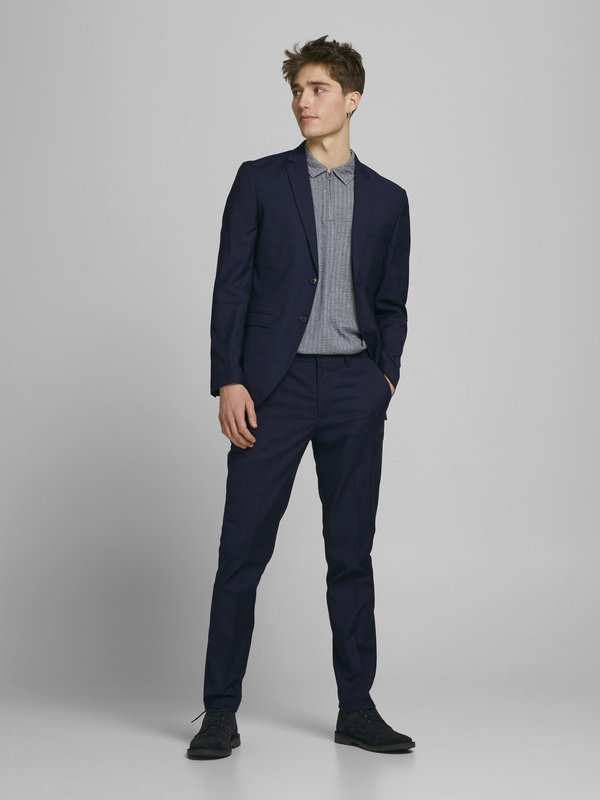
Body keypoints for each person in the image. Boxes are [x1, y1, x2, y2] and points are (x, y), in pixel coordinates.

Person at [187, 34, 414, 759]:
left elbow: (392, 304)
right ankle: (220, 712)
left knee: (351, 555)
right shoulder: (260, 181)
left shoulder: (389, 200)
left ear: (352, 99)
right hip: (272, 390)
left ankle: (357, 709)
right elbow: (231, 285)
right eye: (297, 90)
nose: (303, 102)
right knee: (241, 553)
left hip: (353, 389)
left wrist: (383, 379)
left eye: (318, 89)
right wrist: (229, 378)